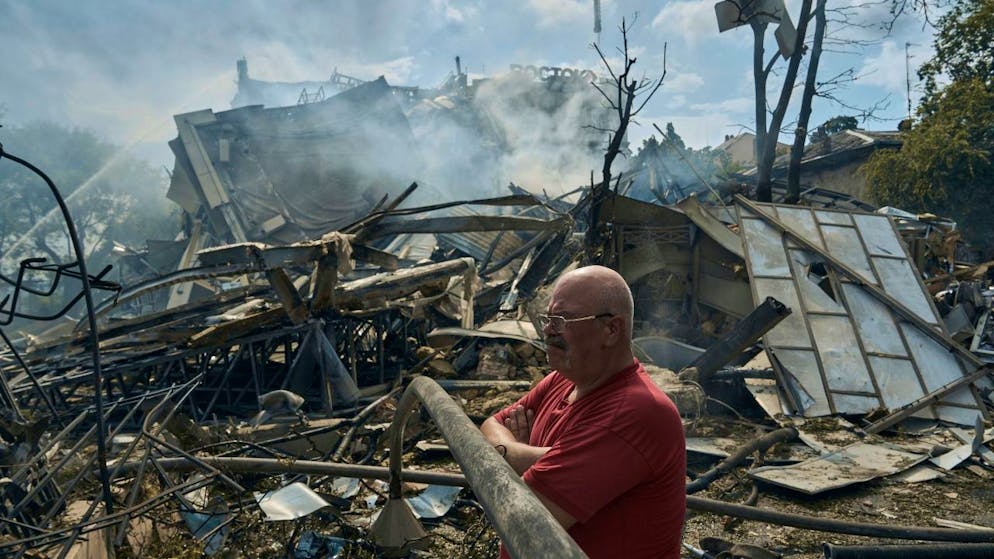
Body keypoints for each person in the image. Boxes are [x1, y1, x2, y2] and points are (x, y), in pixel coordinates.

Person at [481, 265, 686, 558]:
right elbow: (491, 424)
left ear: (611, 329)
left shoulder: (637, 412)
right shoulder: (563, 379)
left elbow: (524, 515)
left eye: (563, 319)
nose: (549, 329)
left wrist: (511, 455)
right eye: (549, 318)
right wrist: (536, 455)